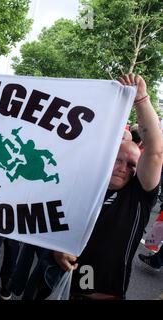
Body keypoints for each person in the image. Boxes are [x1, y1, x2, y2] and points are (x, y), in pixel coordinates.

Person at [53, 73, 162, 300]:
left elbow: (155, 150)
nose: (123, 167)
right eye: (118, 160)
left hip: (106, 294)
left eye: (132, 164)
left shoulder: (138, 196)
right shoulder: (88, 185)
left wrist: (141, 100)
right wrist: (58, 247)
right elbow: (60, 219)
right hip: (70, 283)